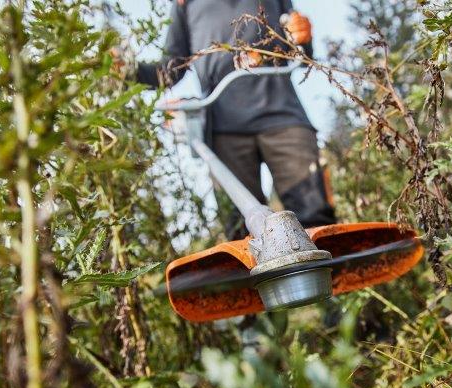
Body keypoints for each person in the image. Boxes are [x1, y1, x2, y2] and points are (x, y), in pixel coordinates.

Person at [130, 0, 336, 239]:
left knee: (316, 220)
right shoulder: (186, 4)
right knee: (243, 232)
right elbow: (169, 69)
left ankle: (328, 274)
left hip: (284, 119)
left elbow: (298, 49)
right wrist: (128, 70)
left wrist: (303, 36)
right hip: (223, 129)